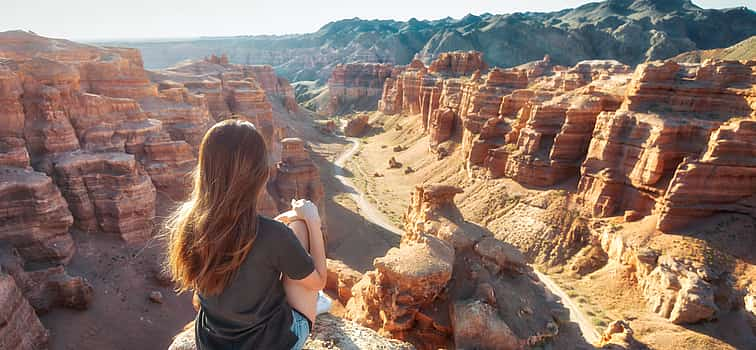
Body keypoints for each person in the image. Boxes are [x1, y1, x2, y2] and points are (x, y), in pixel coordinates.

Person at [166, 119, 327, 350]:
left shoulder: (188, 224)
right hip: (273, 343)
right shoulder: (272, 235)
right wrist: (313, 222)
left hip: (212, 342)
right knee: (299, 227)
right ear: (258, 174)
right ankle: (313, 301)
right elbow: (320, 280)